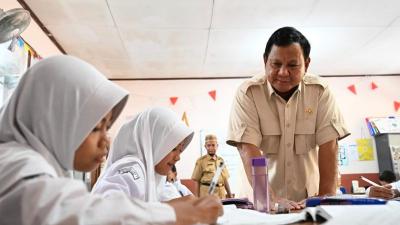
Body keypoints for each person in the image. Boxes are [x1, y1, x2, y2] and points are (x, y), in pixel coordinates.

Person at [0, 55, 222, 225]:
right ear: (52, 118)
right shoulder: (15, 163)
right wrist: (170, 214)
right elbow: (70, 213)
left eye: (107, 128)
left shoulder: (43, 166)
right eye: (96, 128)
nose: (106, 141)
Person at [226, 27, 350, 207]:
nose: (283, 72)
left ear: (306, 64)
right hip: (259, 204)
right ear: (265, 61)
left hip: (309, 201)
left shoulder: (320, 92)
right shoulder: (248, 93)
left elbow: (328, 146)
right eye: (276, 64)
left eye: (292, 65)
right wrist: (269, 199)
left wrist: (324, 199)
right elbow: (249, 148)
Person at [92, 107, 195, 203]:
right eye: (173, 149)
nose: (178, 157)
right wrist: (169, 210)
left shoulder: (154, 175)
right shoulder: (132, 169)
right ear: (154, 143)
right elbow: (106, 211)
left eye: (180, 150)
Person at [192, 134, 232, 199]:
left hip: (221, 195)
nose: (211, 148)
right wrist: (196, 199)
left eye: (213, 145)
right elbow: (197, 181)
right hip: (207, 195)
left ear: (217, 146)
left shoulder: (220, 160)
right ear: (205, 146)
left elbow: (225, 180)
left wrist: (230, 196)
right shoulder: (201, 161)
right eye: (208, 145)